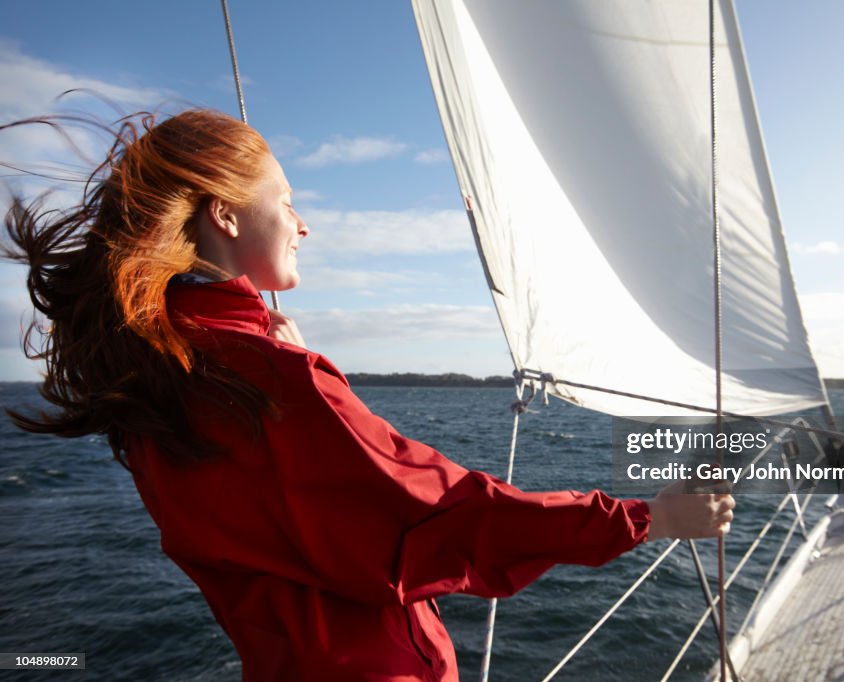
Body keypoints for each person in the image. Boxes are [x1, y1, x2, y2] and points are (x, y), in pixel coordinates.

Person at [3, 109, 735, 681]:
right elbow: (444, 516)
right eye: (285, 201)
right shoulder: (265, 377)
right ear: (224, 216)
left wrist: (273, 347)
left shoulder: (155, 374)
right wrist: (651, 516)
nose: (302, 223)